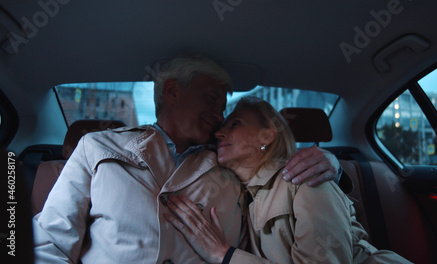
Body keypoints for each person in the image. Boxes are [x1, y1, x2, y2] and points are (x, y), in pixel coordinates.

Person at [32, 55, 342, 263]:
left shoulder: (232, 168)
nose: (219, 117)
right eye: (211, 100)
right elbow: (51, 243)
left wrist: (333, 166)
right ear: (171, 91)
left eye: (226, 111)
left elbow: (276, 178)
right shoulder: (96, 147)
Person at [164, 96, 412, 263]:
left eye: (235, 124)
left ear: (266, 136)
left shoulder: (305, 178)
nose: (219, 133)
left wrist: (223, 254)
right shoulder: (241, 195)